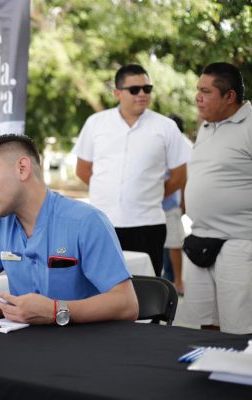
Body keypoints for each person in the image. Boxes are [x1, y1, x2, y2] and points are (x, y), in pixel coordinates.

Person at [0, 134, 139, 325]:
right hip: (23, 345)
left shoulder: (86, 221)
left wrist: (56, 311)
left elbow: (126, 304)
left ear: (22, 169)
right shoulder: (0, 225)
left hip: (83, 346)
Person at [73, 64, 190, 277]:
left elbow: (180, 175)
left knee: (145, 290)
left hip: (148, 224)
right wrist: (110, 190)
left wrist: (149, 194)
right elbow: (82, 169)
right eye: (135, 89)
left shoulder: (165, 127)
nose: (142, 94)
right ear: (117, 93)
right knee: (100, 286)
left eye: (147, 88)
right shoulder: (96, 123)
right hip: (102, 223)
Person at [183, 62, 252, 335]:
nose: (198, 97)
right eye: (198, 90)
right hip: (200, 239)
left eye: (206, 91)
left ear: (229, 96)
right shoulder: (207, 126)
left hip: (239, 242)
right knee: (203, 327)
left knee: (238, 330)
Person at [161, 115, 192, 296]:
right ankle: (167, 278)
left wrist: (183, 202)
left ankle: (178, 281)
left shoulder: (182, 145)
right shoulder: (162, 143)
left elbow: (183, 177)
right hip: (154, 205)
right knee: (164, 244)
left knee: (174, 243)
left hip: (170, 203)